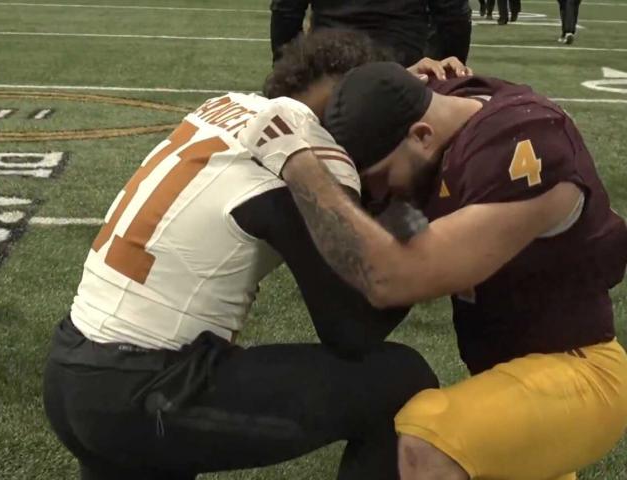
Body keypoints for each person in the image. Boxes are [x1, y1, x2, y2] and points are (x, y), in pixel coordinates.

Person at [43, 33, 473, 480]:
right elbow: (353, 329)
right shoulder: (308, 147)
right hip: (145, 394)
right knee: (399, 379)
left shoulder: (227, 106)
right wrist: (410, 220)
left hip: (71, 369)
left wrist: (397, 91)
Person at [239, 61, 627, 480]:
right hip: (513, 380)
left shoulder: (527, 145)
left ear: (422, 136)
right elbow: (388, 88)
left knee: (427, 438)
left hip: (580, 370)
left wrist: (298, 163)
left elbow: (392, 277)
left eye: (382, 179)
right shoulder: (442, 110)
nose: (380, 197)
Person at [270, 0, 472, 67]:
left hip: (330, 63)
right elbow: (454, 17)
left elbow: (286, 12)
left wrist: (289, 70)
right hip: (402, 65)